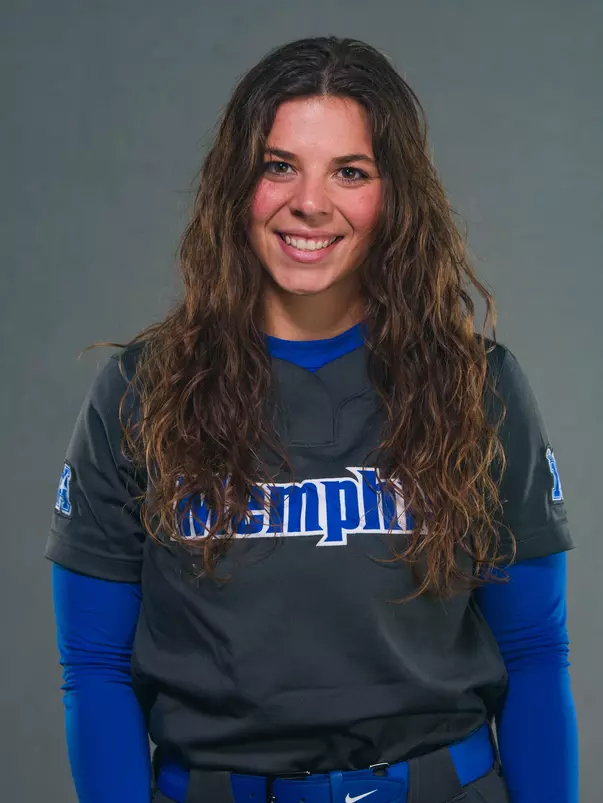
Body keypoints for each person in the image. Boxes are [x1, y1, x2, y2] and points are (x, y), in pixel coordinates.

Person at [46, 36, 578, 803]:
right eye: (279, 165)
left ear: (393, 195)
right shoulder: (141, 392)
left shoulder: (476, 386)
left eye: (349, 172)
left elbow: (532, 651)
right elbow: (94, 667)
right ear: (237, 182)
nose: (310, 202)